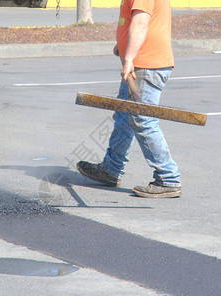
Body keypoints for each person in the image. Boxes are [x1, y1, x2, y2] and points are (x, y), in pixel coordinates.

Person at [77, 0, 181, 198]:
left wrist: (130, 57)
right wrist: (123, 43)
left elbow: (141, 21)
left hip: (145, 64)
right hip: (142, 62)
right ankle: (111, 169)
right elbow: (134, 20)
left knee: (143, 120)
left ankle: (169, 178)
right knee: (125, 117)